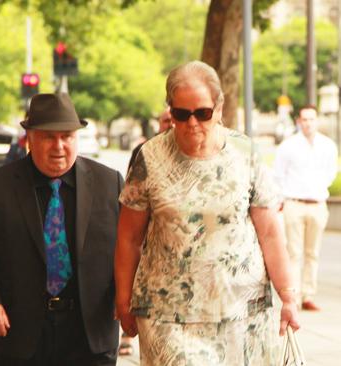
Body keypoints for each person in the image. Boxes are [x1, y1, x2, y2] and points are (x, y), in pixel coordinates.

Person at [114, 61, 300, 365]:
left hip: (243, 313)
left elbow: (269, 231)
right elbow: (128, 236)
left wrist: (288, 296)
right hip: (168, 315)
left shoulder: (246, 153)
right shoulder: (150, 156)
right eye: (180, 114)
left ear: (219, 107)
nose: (191, 124)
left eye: (202, 113)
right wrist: (123, 300)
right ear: (170, 110)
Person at [0, 93, 123, 365]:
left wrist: (126, 298)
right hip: (18, 332)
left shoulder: (110, 183)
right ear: (30, 139)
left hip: (90, 334)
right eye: (49, 137)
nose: (59, 146)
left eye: (67, 136)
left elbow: (130, 245)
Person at [118, 106, 172, 357]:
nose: (171, 125)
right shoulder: (145, 153)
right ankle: (128, 335)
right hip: (146, 240)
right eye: (166, 120)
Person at [273, 105, 338, 311]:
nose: (308, 123)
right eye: (305, 119)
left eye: (312, 119)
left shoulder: (327, 146)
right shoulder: (288, 146)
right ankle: (294, 295)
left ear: (316, 121)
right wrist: (282, 199)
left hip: (317, 204)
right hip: (295, 203)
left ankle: (308, 294)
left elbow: (330, 172)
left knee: (313, 253)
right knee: (294, 252)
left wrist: (318, 188)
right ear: (299, 122)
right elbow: (278, 175)